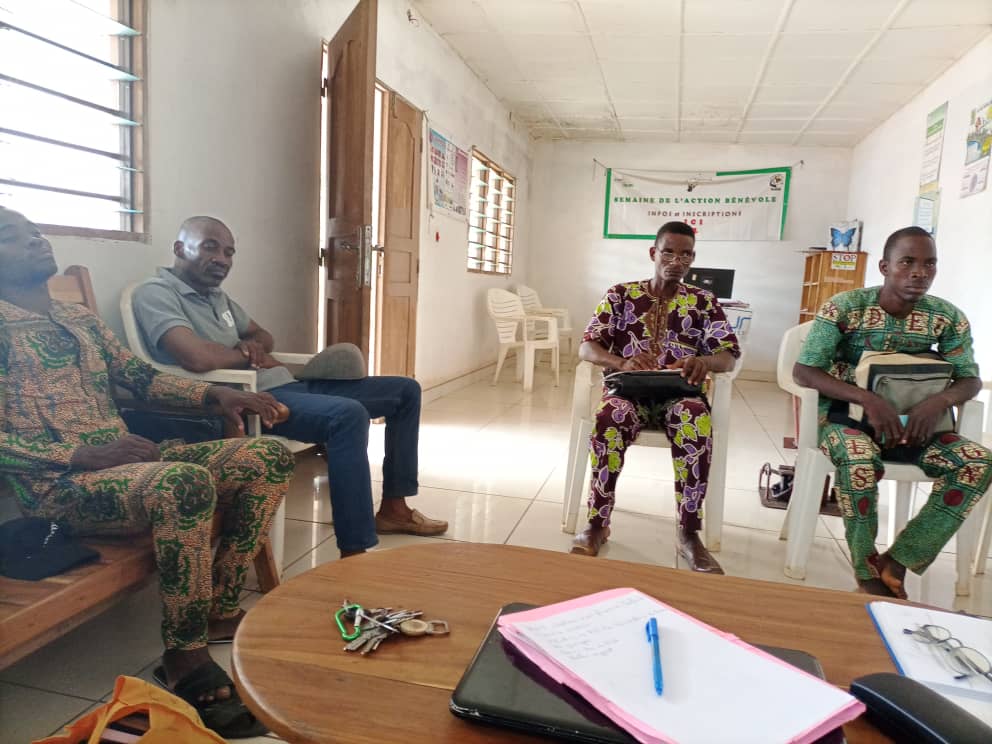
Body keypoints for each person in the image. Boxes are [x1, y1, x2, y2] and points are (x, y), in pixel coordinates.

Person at [0, 207, 294, 739]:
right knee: (183, 482)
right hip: (59, 486)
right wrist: (79, 455)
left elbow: (139, 375)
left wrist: (216, 394)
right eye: (13, 236)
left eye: (37, 231)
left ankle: (219, 605)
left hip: (129, 467)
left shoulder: (78, 318)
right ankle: (185, 658)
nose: (37, 240)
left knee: (268, 457)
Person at [131, 216, 447, 558]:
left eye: (229, 252)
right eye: (210, 247)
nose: (222, 259)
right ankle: (354, 551)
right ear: (180, 248)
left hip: (288, 385)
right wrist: (245, 355)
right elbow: (196, 357)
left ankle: (394, 509)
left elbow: (264, 336)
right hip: (252, 399)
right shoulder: (155, 293)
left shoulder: (217, 297)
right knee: (348, 415)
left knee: (405, 391)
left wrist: (253, 346)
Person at [794, 226, 991, 599]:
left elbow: (969, 380)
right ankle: (866, 571)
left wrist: (937, 402)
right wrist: (868, 399)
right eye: (908, 262)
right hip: (848, 422)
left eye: (929, 264)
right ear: (885, 267)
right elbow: (804, 371)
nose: (919, 273)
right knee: (858, 459)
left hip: (918, 428)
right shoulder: (845, 308)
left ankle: (898, 560)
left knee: (978, 463)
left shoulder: (947, 317)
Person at [573, 221, 740, 572]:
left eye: (686, 255)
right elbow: (587, 347)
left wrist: (703, 361)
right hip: (627, 392)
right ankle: (597, 523)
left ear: (693, 258)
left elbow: (727, 356)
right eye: (669, 252)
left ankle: (689, 533)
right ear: (654, 253)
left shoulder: (703, 302)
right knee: (610, 417)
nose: (677, 261)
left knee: (694, 419)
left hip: (679, 395)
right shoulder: (620, 295)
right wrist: (621, 362)